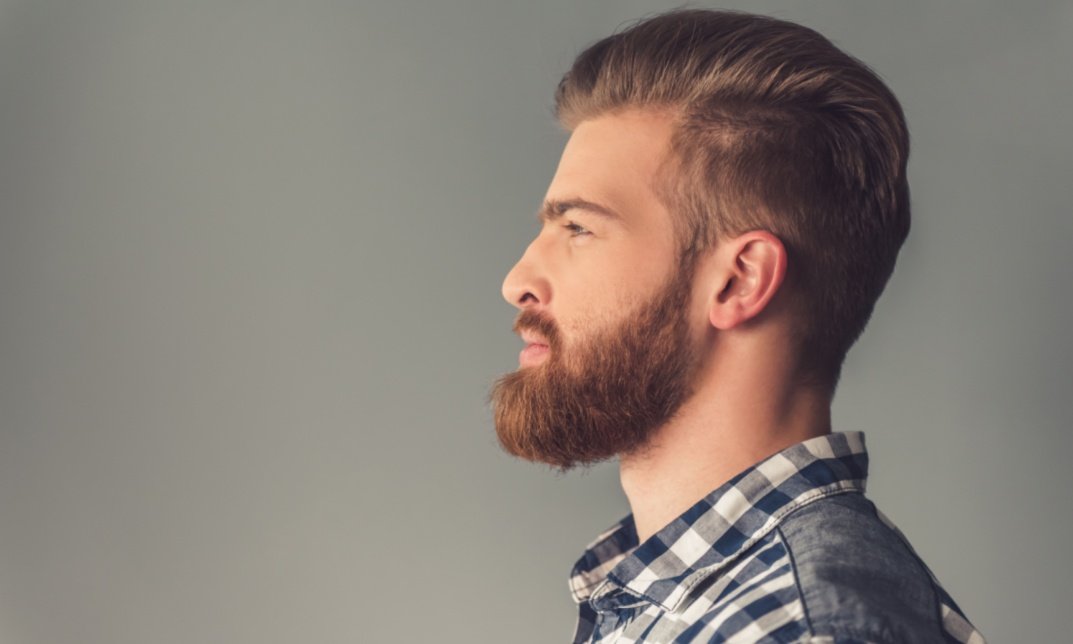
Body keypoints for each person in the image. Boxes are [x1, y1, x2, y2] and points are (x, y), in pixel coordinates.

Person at [488, 8, 986, 644]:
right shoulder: (686, 601)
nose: (517, 281)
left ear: (740, 280)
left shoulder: (803, 630)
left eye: (578, 227)